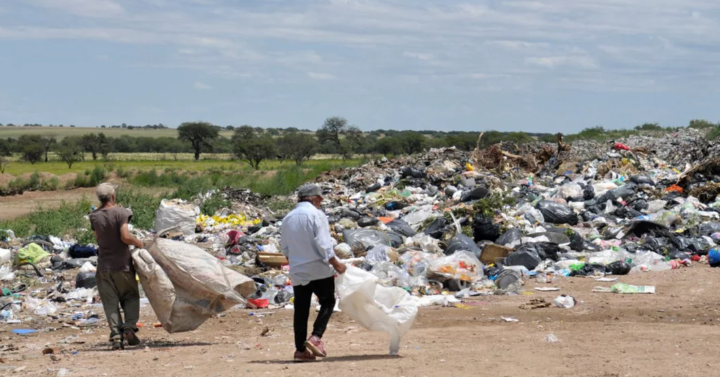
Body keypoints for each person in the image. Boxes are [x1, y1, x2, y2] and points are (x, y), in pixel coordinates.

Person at [281, 184, 347, 362]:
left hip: (298, 270)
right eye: (320, 198)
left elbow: (285, 249)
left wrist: (296, 264)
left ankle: (300, 351)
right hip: (318, 268)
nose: (321, 201)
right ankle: (316, 338)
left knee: (301, 310)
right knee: (328, 301)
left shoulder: (288, 218)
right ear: (313, 198)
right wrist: (336, 264)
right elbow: (324, 245)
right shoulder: (316, 215)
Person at [89, 183, 144, 350]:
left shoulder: (94, 216)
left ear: (99, 198)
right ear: (113, 197)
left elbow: (98, 238)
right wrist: (139, 243)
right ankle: (128, 327)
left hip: (104, 267)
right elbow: (125, 237)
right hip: (123, 265)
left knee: (110, 302)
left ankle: (116, 337)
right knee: (130, 296)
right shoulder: (122, 212)